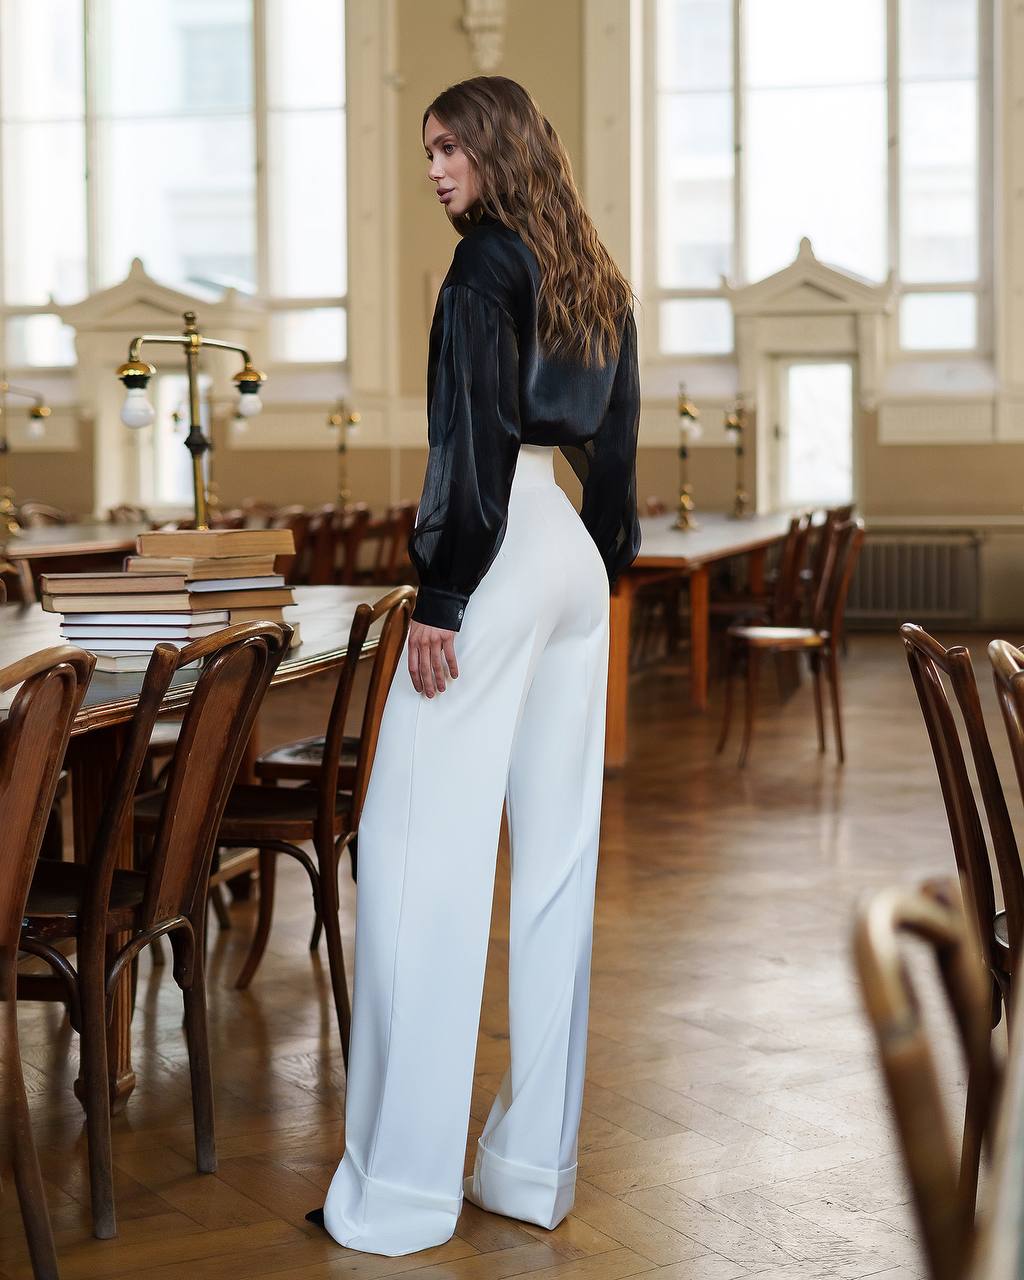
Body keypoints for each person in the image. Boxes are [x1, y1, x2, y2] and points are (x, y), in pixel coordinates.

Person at [308, 75, 641, 1257]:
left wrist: (443, 591)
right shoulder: (594, 270)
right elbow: (615, 455)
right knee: (552, 872)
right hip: (568, 560)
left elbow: (469, 431)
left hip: (494, 553)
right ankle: (526, 1170)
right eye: (428, 150)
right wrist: (598, 572)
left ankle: (398, 1191)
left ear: (497, 148)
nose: (437, 169)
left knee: (409, 866)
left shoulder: (483, 268)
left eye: (450, 147)